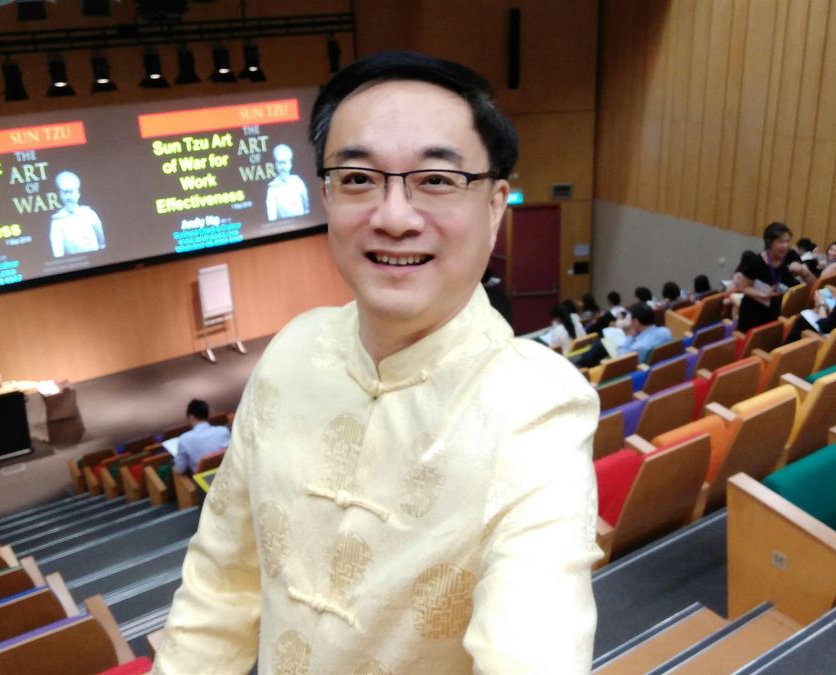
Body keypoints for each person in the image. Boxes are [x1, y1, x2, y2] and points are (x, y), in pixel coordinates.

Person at [154, 51, 601, 674]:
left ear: (495, 204)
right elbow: (219, 584)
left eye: (437, 180)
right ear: (326, 195)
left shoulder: (536, 409)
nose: (393, 218)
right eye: (358, 178)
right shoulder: (292, 350)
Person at [732, 222, 801, 332]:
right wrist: (764, 295)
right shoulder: (756, 262)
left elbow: (800, 266)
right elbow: (743, 287)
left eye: (788, 241)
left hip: (775, 312)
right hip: (753, 314)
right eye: (780, 242)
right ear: (769, 243)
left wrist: (799, 266)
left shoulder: (790, 255)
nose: (785, 246)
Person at [572, 302, 671, 369]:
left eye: (630, 320)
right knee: (599, 346)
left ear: (636, 322)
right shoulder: (666, 331)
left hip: (630, 370)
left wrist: (630, 335)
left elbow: (620, 359)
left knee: (599, 347)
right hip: (658, 366)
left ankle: (578, 364)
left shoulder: (640, 347)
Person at [48, 171, 105, 257]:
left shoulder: (89, 214)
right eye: (65, 192)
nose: (68, 197)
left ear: (78, 194)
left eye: (71, 192)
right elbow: (57, 250)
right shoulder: (57, 221)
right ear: (60, 195)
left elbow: (101, 239)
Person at [172, 399, 232, 475]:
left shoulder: (184, 439)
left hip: (202, 480)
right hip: (228, 474)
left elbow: (180, 469)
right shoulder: (223, 431)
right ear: (207, 414)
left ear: (191, 417)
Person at [265, 143, 311, 221]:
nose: (283, 167)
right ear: (276, 165)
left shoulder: (298, 183)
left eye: (285, 162)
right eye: (280, 163)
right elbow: (271, 215)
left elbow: (307, 207)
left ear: (290, 164)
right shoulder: (272, 188)